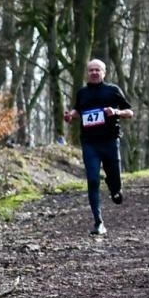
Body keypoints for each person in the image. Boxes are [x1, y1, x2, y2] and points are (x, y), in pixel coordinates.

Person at [62, 59, 133, 236]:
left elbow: (129, 112)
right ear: (87, 73)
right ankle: (98, 221)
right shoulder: (82, 93)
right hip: (90, 142)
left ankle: (114, 187)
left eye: (97, 70)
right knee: (92, 180)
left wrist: (116, 112)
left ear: (104, 72)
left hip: (110, 141)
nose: (94, 73)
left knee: (115, 178)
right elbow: (78, 110)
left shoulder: (113, 90)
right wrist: (71, 115)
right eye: (91, 70)